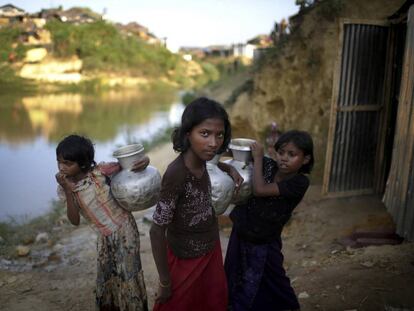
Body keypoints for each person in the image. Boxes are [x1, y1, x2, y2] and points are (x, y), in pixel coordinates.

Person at [149, 97, 243, 311]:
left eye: (219, 135)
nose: (213, 143)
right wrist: (165, 281)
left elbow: (214, 160)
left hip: (210, 250)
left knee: (210, 303)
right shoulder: (176, 174)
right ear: (187, 134)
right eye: (205, 134)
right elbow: (156, 231)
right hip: (184, 259)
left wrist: (228, 168)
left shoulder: (204, 161)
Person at [55, 134, 149, 311]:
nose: (61, 167)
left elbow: (129, 166)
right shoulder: (67, 188)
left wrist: (144, 160)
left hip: (125, 230)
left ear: (82, 163)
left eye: (67, 163)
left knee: (129, 273)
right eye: (59, 162)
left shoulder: (101, 172)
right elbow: (74, 221)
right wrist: (68, 191)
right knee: (108, 275)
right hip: (105, 237)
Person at [225, 130, 314, 311]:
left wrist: (258, 158)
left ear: (305, 159)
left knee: (274, 277)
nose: (284, 158)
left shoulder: (299, 182)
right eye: (281, 152)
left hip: (266, 239)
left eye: (292, 154)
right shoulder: (268, 165)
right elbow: (231, 157)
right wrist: (231, 165)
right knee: (235, 272)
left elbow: (260, 190)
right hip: (242, 230)